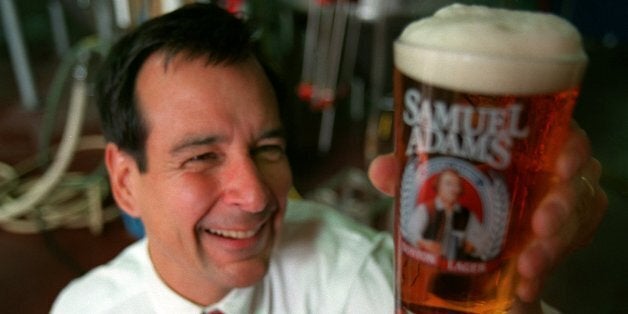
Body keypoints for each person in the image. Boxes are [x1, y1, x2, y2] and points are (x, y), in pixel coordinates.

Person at [51, 3, 607, 313]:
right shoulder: (85, 309)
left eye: (268, 148)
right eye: (201, 156)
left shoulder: (343, 271)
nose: (256, 194)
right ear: (125, 182)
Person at [402, 169, 481, 260]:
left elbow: (480, 240)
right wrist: (425, 243)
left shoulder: (467, 214)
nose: (453, 189)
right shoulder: (426, 209)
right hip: (427, 265)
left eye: (457, 185)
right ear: (438, 186)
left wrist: (471, 245)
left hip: (458, 267)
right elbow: (411, 233)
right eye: (448, 184)